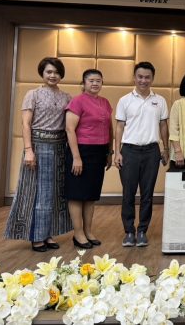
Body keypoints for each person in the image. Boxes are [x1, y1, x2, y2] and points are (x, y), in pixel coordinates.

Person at [4, 57, 72, 251]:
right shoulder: (32, 94)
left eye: (56, 72)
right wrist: (28, 150)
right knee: (38, 192)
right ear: (42, 73)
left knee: (55, 194)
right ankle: (36, 235)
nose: (53, 75)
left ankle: (48, 234)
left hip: (60, 148)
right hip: (38, 146)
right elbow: (25, 124)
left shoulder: (67, 97)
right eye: (49, 72)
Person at [114, 61, 169, 247]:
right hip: (129, 151)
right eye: (140, 77)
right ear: (134, 77)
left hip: (152, 151)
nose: (143, 80)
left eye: (147, 77)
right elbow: (119, 126)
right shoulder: (124, 100)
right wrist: (117, 152)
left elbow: (163, 125)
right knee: (128, 194)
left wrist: (165, 149)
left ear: (152, 78)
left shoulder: (160, 100)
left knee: (147, 194)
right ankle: (129, 232)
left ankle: (142, 231)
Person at [65, 69, 113, 249]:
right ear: (84, 83)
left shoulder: (105, 102)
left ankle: (88, 231)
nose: (95, 83)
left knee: (91, 195)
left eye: (98, 80)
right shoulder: (77, 101)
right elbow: (70, 129)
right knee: (77, 195)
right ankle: (78, 234)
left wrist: (109, 152)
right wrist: (76, 157)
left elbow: (109, 128)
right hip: (81, 151)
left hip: (99, 152)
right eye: (91, 80)